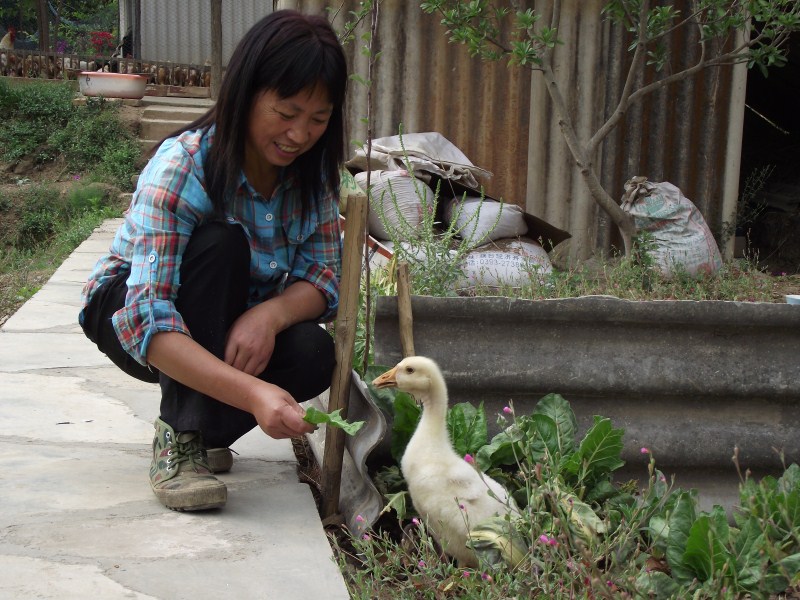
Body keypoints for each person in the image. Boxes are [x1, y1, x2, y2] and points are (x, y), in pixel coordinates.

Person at [78, 10, 347, 512]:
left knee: (313, 351)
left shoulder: (313, 181)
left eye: (318, 118)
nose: (299, 134)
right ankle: (181, 436)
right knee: (222, 244)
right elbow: (146, 317)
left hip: (227, 320)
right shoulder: (185, 164)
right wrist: (253, 395)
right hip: (125, 310)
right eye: (286, 113)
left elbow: (324, 278)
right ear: (247, 93)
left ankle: (201, 431)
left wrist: (270, 316)